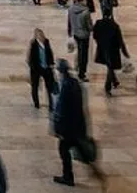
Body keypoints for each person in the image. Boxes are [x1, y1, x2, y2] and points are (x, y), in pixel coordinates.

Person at [52, 59, 104, 187]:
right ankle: (95, 171)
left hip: (68, 128)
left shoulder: (65, 86)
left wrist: (59, 129)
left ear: (60, 72)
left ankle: (68, 177)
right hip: (78, 127)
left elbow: (63, 110)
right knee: (80, 151)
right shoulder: (74, 83)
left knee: (64, 151)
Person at [92, 10, 129, 97]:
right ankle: (107, 87)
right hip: (112, 50)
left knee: (109, 66)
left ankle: (114, 81)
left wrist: (99, 42)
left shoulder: (98, 23)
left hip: (102, 48)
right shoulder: (114, 25)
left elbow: (94, 35)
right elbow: (120, 40)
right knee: (111, 67)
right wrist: (124, 52)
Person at [28, 28, 56, 109]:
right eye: (39, 36)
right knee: (35, 87)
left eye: (42, 35)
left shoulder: (46, 41)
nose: (41, 37)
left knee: (50, 86)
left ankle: (51, 103)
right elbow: (31, 58)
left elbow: (50, 52)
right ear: (36, 36)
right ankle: (36, 103)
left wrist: (51, 63)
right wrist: (34, 68)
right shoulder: (33, 44)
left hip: (46, 68)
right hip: (36, 69)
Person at [66, 0, 92, 82]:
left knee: (79, 51)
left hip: (76, 34)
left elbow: (69, 22)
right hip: (84, 35)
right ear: (81, 0)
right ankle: (82, 73)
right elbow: (89, 26)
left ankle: (77, 67)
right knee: (84, 55)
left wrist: (69, 32)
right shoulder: (86, 11)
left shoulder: (71, 9)